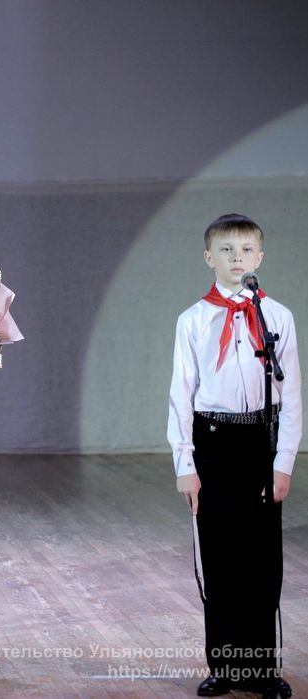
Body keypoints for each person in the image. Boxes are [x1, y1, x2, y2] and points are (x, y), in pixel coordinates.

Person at [168, 213, 301, 699]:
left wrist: (283, 461)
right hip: (214, 441)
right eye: (226, 249)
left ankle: (262, 669)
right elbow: (181, 396)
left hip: (261, 442)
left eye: (245, 250)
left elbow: (292, 395)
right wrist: (186, 464)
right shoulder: (193, 320)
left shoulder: (278, 317)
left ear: (259, 257)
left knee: (261, 560)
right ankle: (225, 665)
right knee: (220, 557)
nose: (236, 258)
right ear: (209, 257)